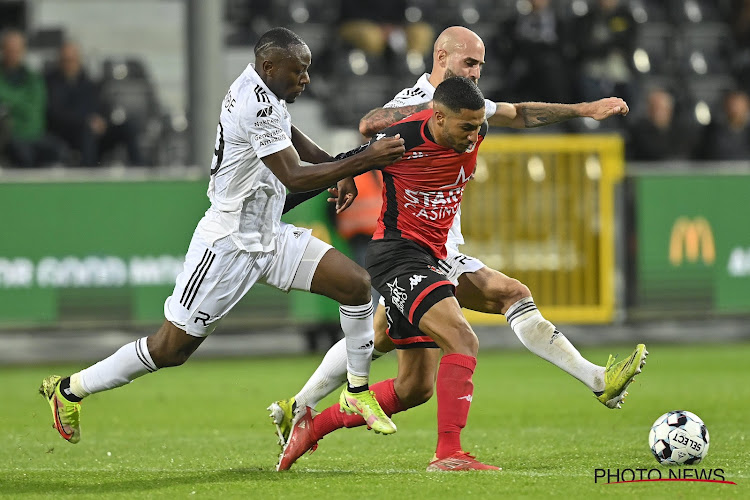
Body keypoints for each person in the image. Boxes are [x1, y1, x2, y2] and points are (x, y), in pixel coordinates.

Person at [271, 27, 647, 472]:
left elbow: (521, 113)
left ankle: (305, 416)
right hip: (406, 253)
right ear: (442, 57)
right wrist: (344, 172)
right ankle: (445, 451)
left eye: (481, 65)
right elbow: (371, 126)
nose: (478, 72)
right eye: (470, 64)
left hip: (440, 252)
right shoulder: (419, 108)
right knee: (443, 338)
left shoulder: (471, 107)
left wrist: (585, 109)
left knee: (415, 382)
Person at [38, 27, 406, 445]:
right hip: (228, 245)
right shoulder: (255, 103)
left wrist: (333, 166)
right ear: (269, 66)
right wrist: (362, 160)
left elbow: (292, 139)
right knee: (170, 349)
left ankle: (356, 391)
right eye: (298, 72)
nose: (306, 79)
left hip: (268, 234)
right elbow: (293, 174)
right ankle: (70, 389)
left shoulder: (266, 92)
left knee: (356, 285)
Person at [45, 40, 144, 167]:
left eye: (73, 59)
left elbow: (103, 107)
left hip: (96, 133)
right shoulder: (50, 84)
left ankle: (139, 169)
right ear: (60, 61)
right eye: (66, 60)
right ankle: (89, 173)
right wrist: (86, 121)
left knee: (128, 127)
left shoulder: (89, 83)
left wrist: (104, 121)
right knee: (86, 132)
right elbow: (55, 114)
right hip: (68, 134)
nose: (70, 64)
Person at [0, 29, 62, 167]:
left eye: (17, 50)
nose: (13, 54)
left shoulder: (34, 78)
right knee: (23, 155)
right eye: (9, 50)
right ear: (3, 50)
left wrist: (10, 104)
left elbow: (35, 109)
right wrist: (22, 103)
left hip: (35, 134)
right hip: (10, 137)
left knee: (59, 151)